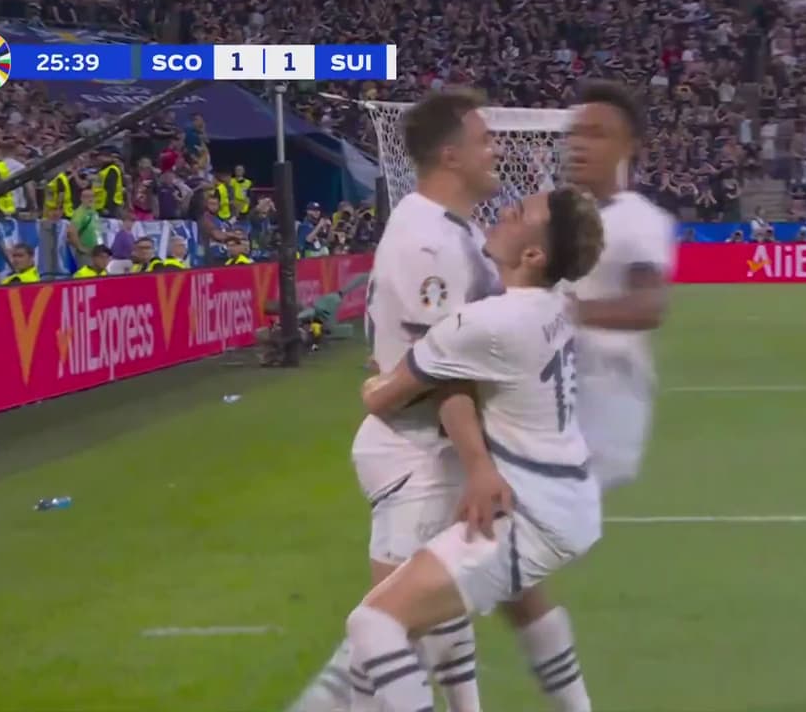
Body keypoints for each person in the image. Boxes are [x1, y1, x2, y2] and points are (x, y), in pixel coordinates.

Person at [345, 187, 605, 712]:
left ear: (533, 254)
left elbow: (382, 397)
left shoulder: (488, 324)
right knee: (477, 602)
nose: (506, 209)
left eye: (521, 212)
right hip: (564, 498)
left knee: (375, 625)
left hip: (532, 515)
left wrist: (381, 375)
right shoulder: (555, 304)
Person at [289, 89, 502, 712]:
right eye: (484, 140)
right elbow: (442, 368)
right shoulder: (427, 240)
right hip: (418, 454)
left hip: (435, 447)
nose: (495, 150)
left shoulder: (459, 229)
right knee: (389, 637)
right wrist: (479, 464)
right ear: (450, 155)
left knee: (439, 613)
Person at [497, 81, 677, 712]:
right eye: (576, 132)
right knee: (496, 567)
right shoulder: (555, 216)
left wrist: (565, 312)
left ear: (632, 146)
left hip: (601, 419)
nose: (580, 144)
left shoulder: (640, 220)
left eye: (598, 133)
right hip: (545, 413)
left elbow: (648, 305)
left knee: (474, 554)